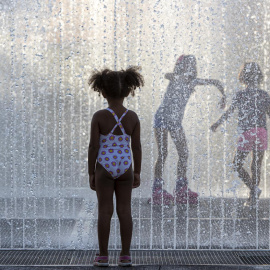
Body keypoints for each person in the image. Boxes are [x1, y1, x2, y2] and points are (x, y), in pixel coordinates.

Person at [151, 55, 226, 205]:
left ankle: (181, 188)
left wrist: (223, 95)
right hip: (162, 118)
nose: (191, 67)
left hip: (175, 122)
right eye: (187, 64)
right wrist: (177, 75)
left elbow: (215, 82)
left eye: (193, 65)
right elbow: (167, 75)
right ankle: (157, 189)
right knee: (163, 152)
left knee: (184, 152)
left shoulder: (193, 81)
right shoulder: (175, 78)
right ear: (181, 66)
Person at [88, 66, 143, 266]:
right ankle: (125, 255)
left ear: (102, 92)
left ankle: (103, 256)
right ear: (128, 91)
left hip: (105, 165)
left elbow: (94, 146)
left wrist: (91, 172)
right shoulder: (132, 117)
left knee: (104, 210)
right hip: (125, 166)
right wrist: (136, 171)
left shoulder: (99, 116)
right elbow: (136, 147)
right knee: (125, 210)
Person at [211, 62, 270, 207]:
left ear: (243, 77)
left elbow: (229, 112)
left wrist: (217, 124)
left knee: (237, 164)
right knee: (256, 166)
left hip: (247, 133)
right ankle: (253, 199)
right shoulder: (264, 94)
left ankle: (253, 190)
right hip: (261, 132)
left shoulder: (241, 94)